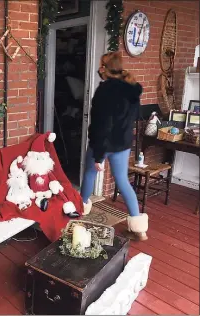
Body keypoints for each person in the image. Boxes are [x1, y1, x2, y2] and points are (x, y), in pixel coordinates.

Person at [80, 51, 148, 241]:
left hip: (102, 143)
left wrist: (100, 155)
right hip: (122, 144)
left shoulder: (105, 92)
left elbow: (103, 125)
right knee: (123, 181)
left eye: (101, 65)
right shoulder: (131, 88)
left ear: (105, 68)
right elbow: (130, 119)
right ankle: (139, 228)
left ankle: (80, 211)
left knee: (89, 174)